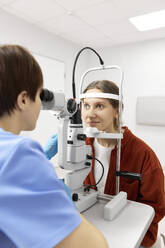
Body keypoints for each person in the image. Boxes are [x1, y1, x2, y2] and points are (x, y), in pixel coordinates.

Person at [0, 45, 108, 248]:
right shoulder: (19, 153)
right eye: (40, 96)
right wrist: (62, 204)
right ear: (23, 99)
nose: (41, 105)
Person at [81, 80, 165, 248]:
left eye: (99, 106)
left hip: (135, 236)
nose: (90, 114)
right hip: (97, 230)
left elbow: (158, 207)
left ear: (117, 111)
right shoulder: (82, 147)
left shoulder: (143, 155)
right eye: (86, 105)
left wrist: (121, 230)